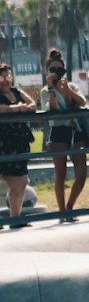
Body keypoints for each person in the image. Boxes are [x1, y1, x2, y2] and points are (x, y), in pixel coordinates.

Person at [38, 48, 89, 220]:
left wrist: (67, 90)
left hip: (76, 130)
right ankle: (62, 211)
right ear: (47, 71)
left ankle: (69, 208)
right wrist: (52, 89)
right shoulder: (45, 90)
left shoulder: (71, 85)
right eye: (53, 69)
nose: (56, 73)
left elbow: (82, 102)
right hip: (58, 130)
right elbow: (52, 109)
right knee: (60, 173)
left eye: (60, 69)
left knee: (81, 173)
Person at [0, 63, 36, 228]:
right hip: (3, 142)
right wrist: (15, 109)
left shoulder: (17, 92)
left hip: (19, 141)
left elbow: (33, 105)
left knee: (21, 182)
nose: (5, 80)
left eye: (8, 76)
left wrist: (21, 108)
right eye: (2, 76)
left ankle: (15, 218)